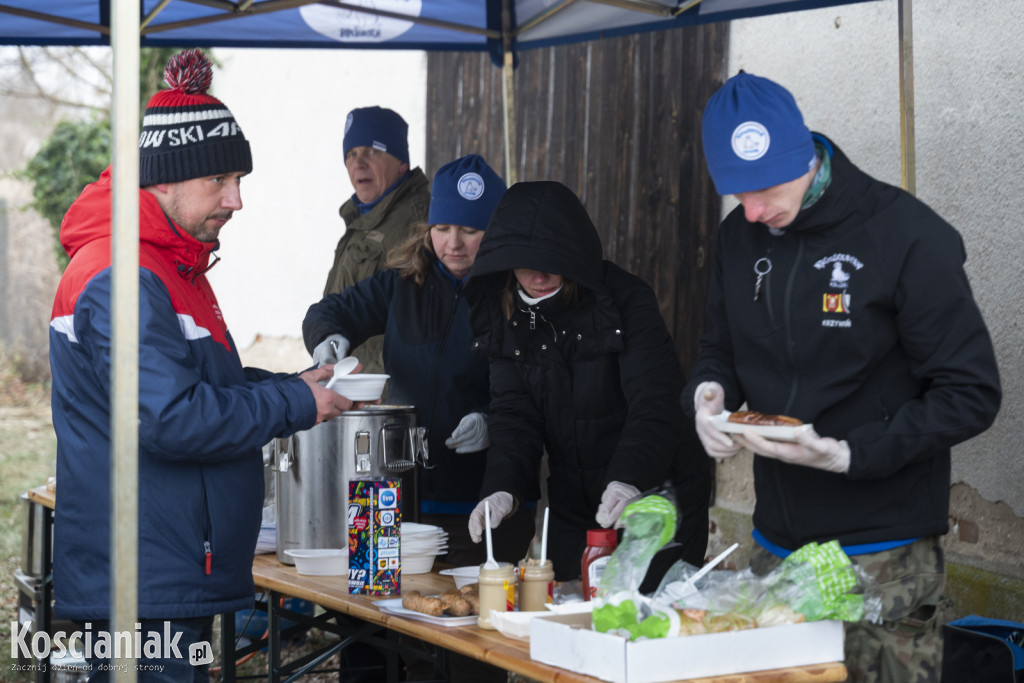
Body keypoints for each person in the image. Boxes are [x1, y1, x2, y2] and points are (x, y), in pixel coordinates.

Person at [48, 49, 353, 681]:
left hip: (166, 569)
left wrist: (293, 385)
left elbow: (199, 386)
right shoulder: (121, 275)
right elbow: (171, 418)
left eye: (238, 181)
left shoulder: (167, 266)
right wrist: (295, 406)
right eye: (219, 181)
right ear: (164, 180)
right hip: (143, 580)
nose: (236, 200)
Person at [686, 72, 1001, 682]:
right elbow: (717, 347)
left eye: (765, 188)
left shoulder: (908, 235)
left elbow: (971, 394)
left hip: (884, 550)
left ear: (805, 154)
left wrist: (850, 454)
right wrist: (707, 393)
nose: (752, 211)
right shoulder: (738, 236)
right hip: (776, 542)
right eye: (735, 194)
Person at [464, 180, 711, 587]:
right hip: (573, 504)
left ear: (573, 254)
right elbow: (514, 414)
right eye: (525, 264)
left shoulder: (625, 301)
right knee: (568, 617)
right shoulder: (503, 309)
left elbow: (657, 399)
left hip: (656, 495)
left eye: (551, 262)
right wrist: (502, 488)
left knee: (643, 622)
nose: (539, 276)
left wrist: (629, 477)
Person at [304, 154, 535, 565]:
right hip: (391, 495)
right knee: (371, 608)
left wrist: (491, 422)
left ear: (496, 230)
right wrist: (328, 339)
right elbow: (329, 311)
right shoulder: (403, 282)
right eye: (442, 228)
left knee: (458, 621)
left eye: (470, 229)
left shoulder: (517, 296)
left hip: (481, 509)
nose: (453, 243)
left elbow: (538, 391)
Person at [320, 105, 431, 374]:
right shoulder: (364, 216)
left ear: (401, 163)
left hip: (388, 391)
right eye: (352, 154)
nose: (359, 163)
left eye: (373, 151)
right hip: (355, 384)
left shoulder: (417, 221)